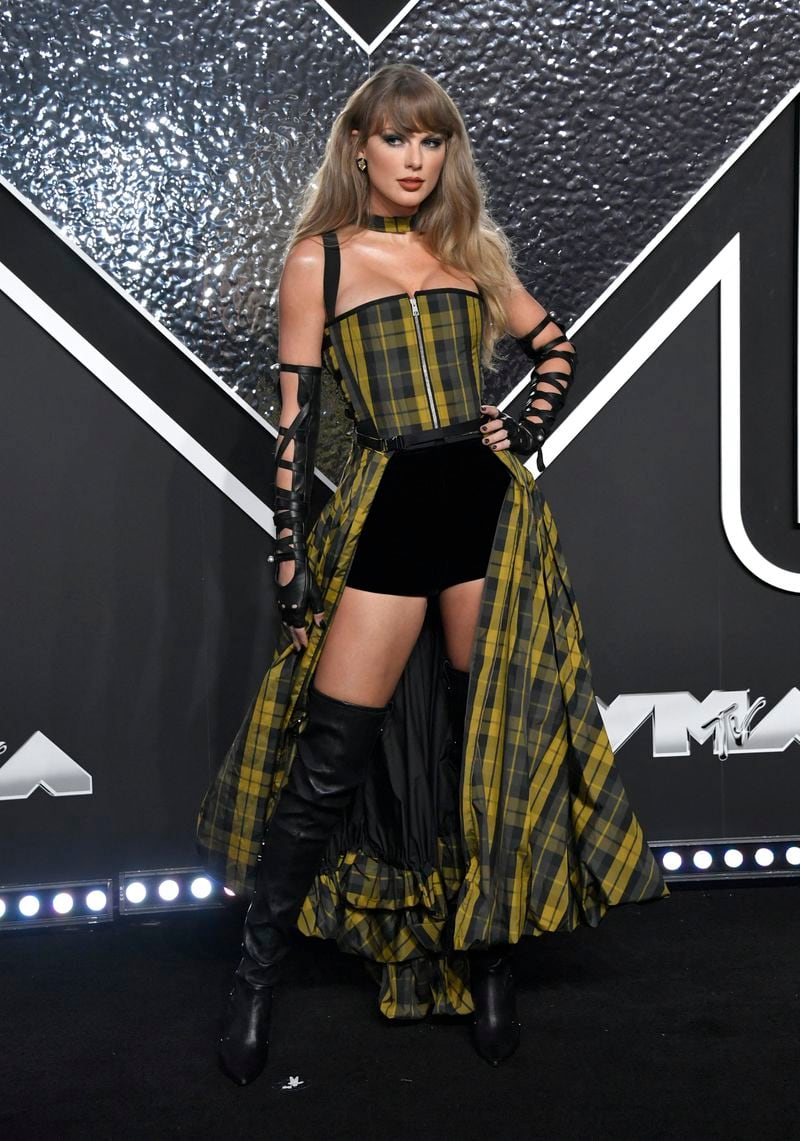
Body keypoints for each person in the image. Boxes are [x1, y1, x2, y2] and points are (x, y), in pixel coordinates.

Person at [198, 62, 667, 1087]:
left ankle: (487, 962)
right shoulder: (317, 262)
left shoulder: (470, 254)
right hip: (387, 511)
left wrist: (523, 425)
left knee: (480, 753)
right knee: (327, 760)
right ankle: (255, 974)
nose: (416, 158)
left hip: (483, 513)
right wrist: (287, 552)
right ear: (357, 148)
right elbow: (292, 426)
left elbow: (554, 351)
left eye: (433, 140)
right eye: (397, 139)